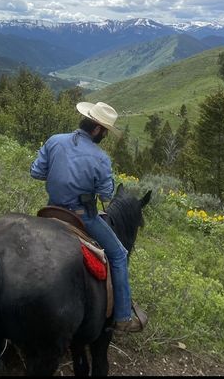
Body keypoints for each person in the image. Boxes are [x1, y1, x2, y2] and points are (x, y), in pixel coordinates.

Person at [30, 100, 147, 333]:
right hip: (83, 216)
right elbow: (106, 195)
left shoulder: (54, 140)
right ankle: (123, 317)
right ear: (97, 129)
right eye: (104, 132)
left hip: (51, 209)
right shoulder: (100, 157)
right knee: (119, 254)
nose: (103, 136)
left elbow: (36, 172)